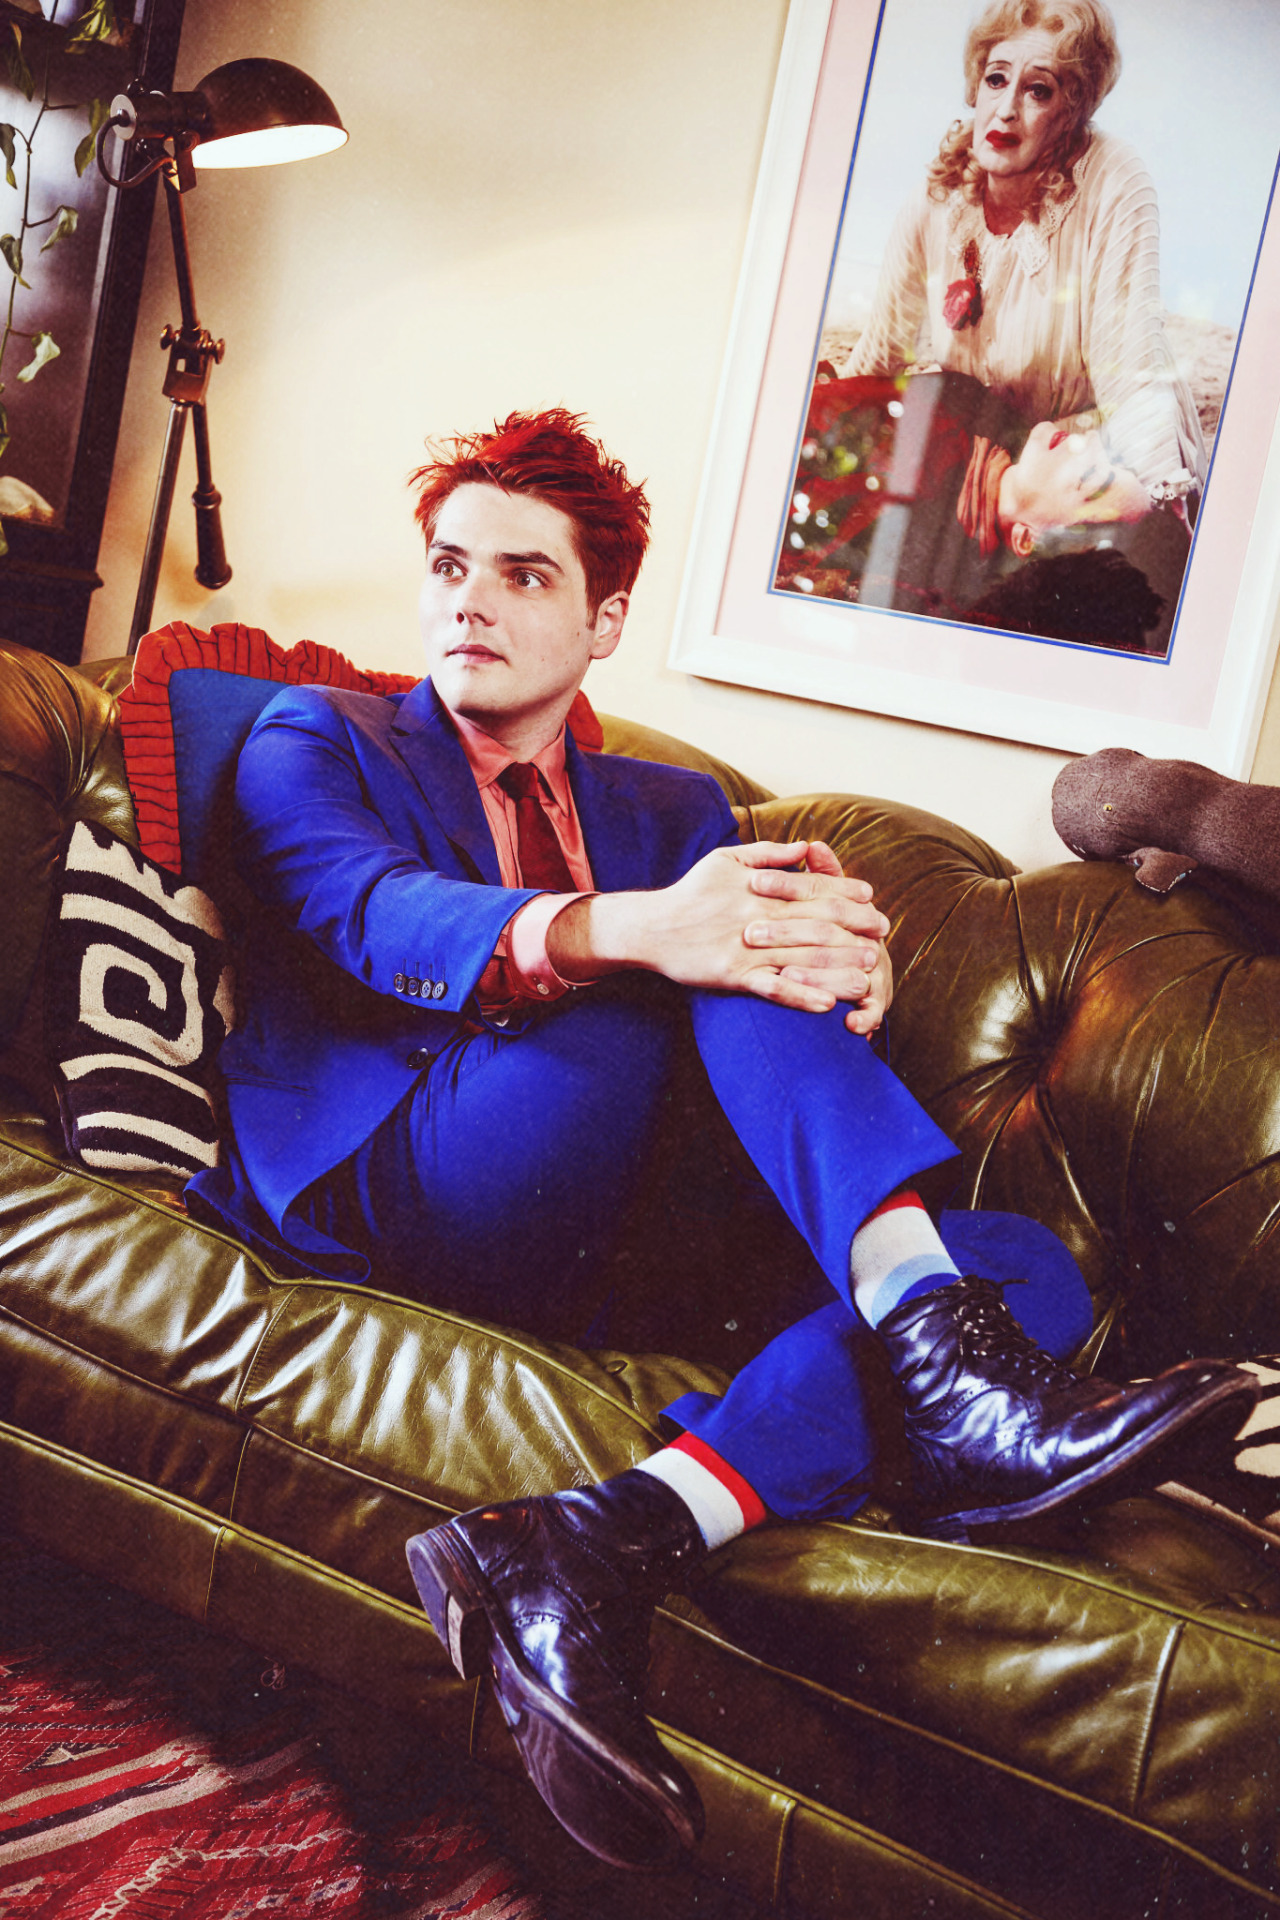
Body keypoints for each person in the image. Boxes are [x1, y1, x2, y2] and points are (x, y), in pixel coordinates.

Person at [186, 409, 1254, 1874]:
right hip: (396, 1170)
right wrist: (660, 930)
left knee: (1021, 1267)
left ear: (604, 619)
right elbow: (374, 917)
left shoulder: (673, 807)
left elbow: (747, 1011)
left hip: (610, 1228)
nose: (469, 601)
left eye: (522, 574)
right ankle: (936, 1350)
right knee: (717, 955)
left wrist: (853, 985)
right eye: (448, 566)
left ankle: (594, 1540)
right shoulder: (322, 736)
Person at [844, 0, 1204, 504]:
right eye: (996, 79)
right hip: (994, 473)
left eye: (1038, 90)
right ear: (976, 86)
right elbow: (879, 356)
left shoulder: (1114, 180)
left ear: (1071, 111)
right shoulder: (937, 199)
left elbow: (1132, 375)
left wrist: (1160, 498)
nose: (1007, 109)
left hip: (1095, 466)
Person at [780, 366, 1183, 650]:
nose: (1090, 441)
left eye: (1091, 476)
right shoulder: (970, 402)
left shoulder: (927, 578)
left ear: (1026, 538)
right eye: (1108, 449)